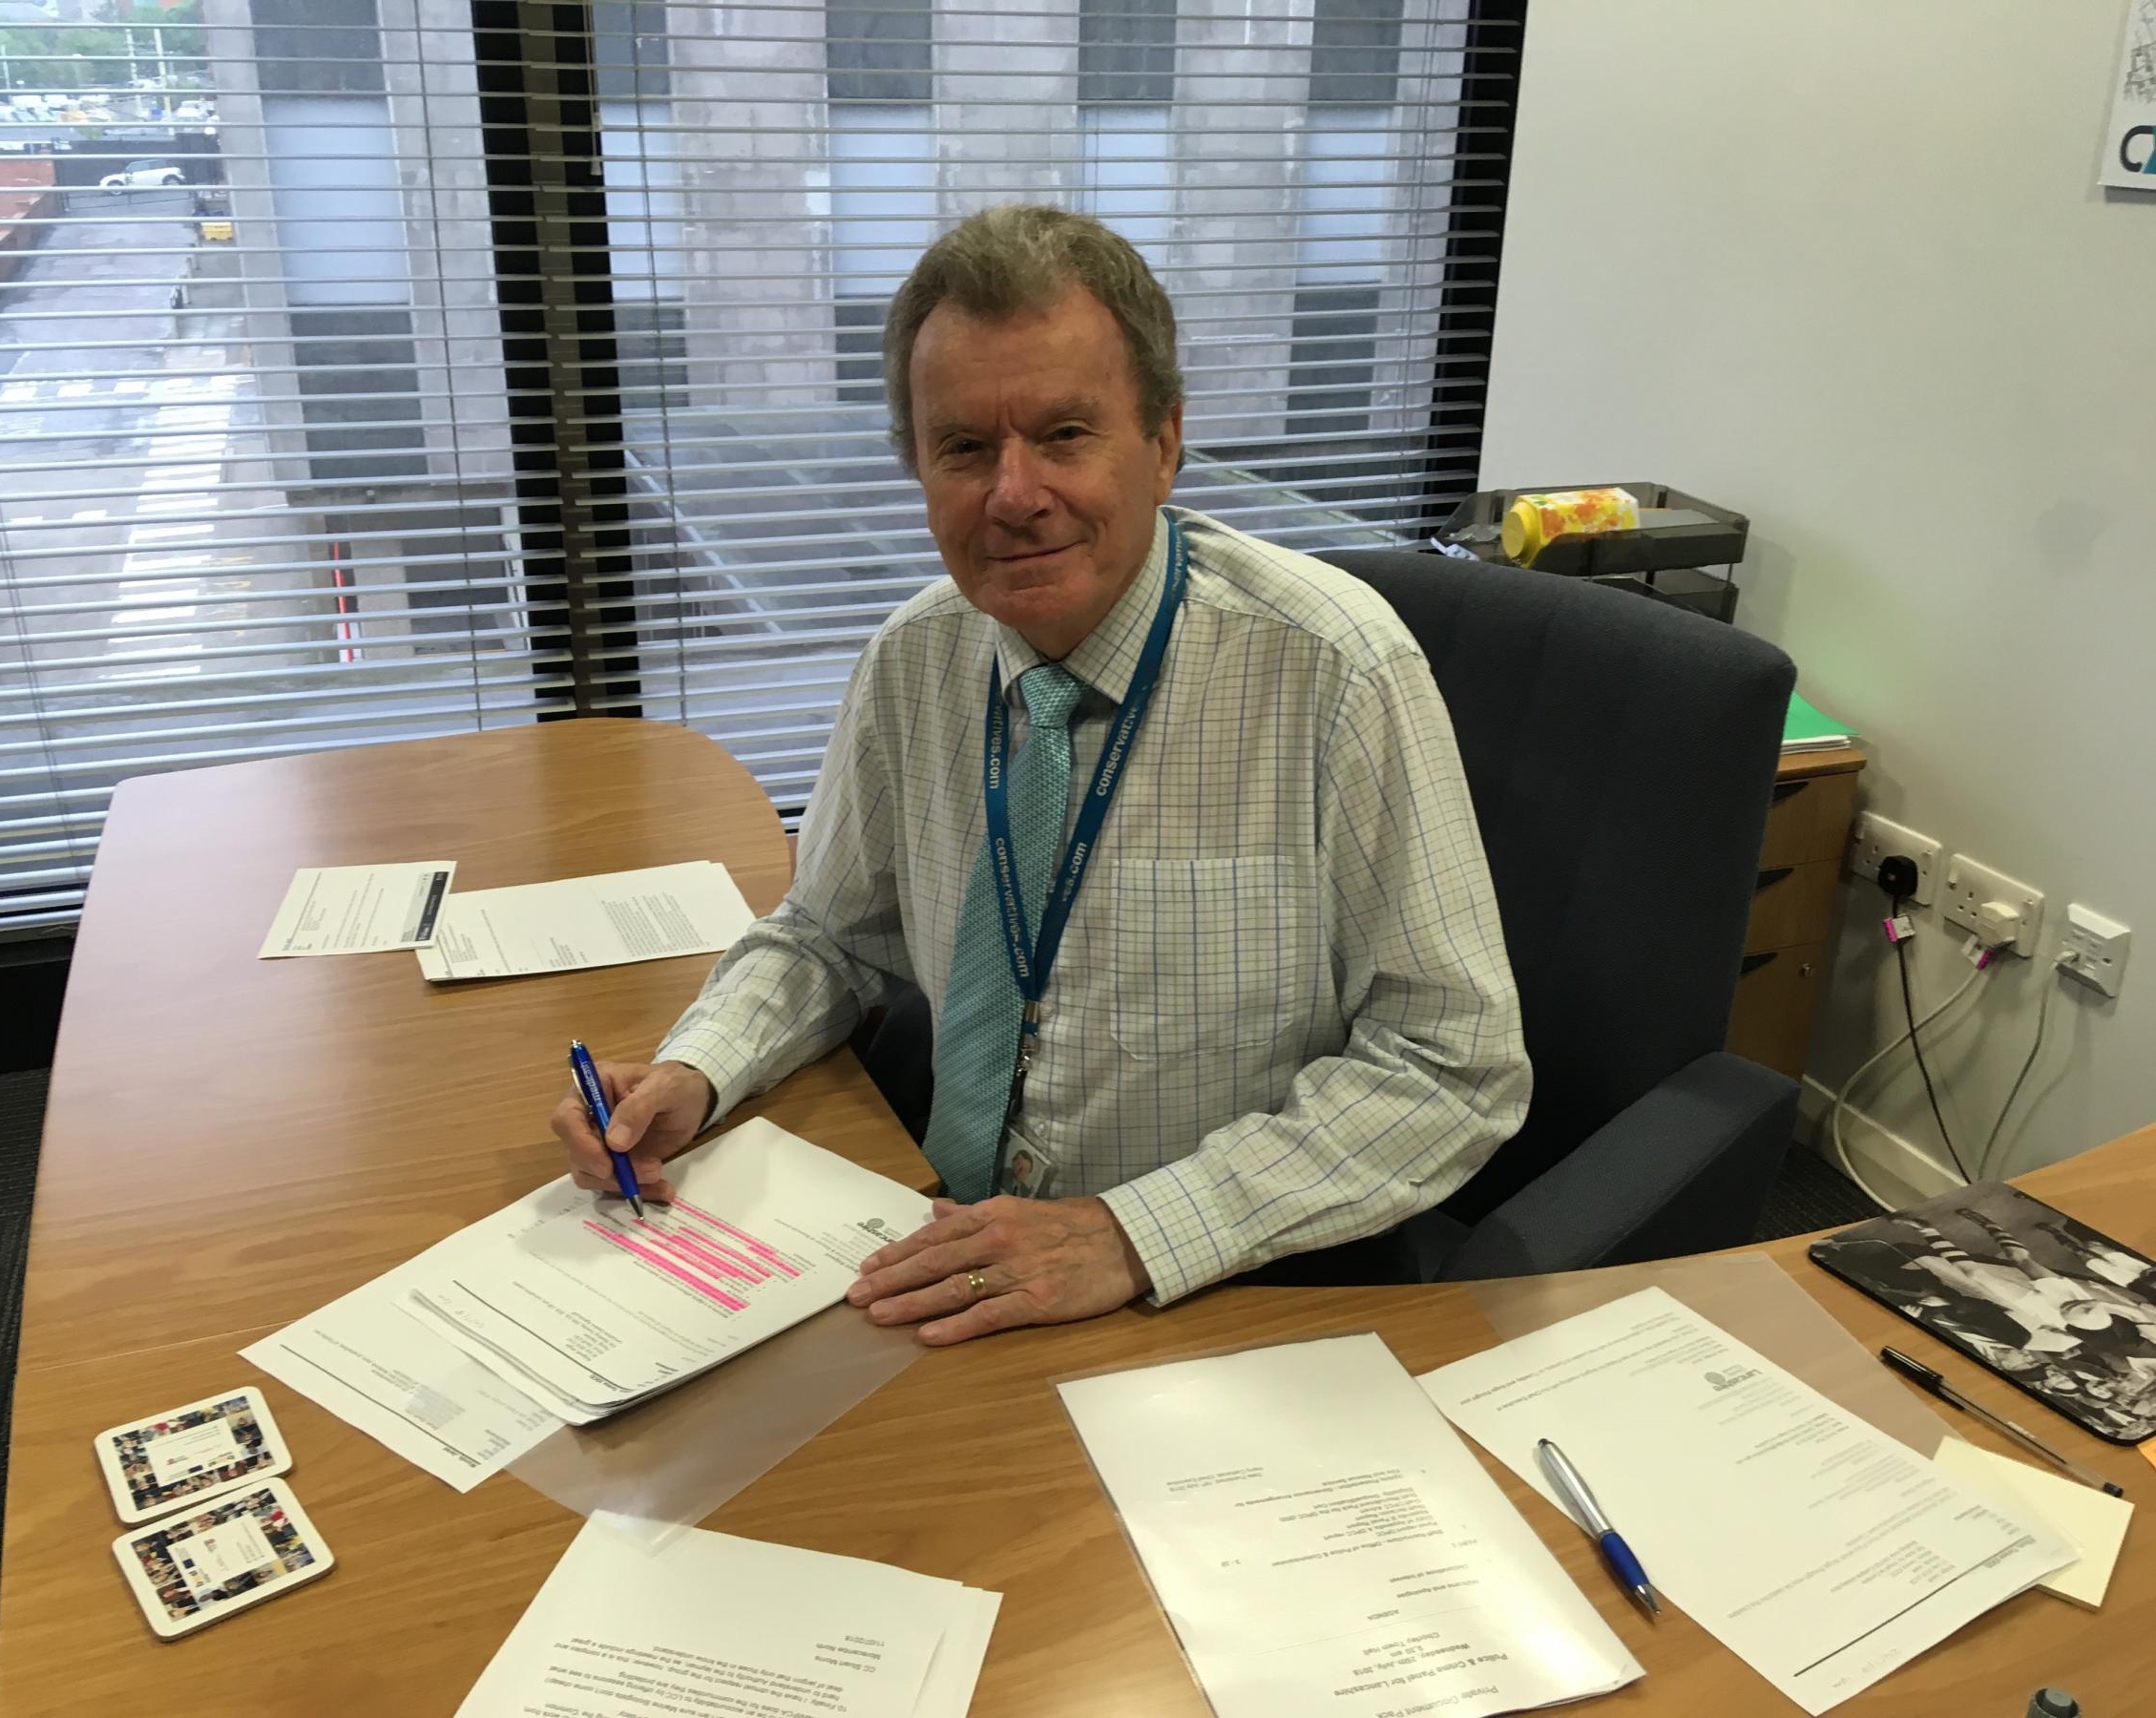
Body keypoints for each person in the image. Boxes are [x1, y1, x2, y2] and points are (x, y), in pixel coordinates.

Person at [551, 204, 1529, 1346]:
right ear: (917, 466)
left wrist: (1132, 1233)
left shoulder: (1337, 673)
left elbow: (1452, 1063)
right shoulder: (914, 658)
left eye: (1066, 434)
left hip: (1223, 1289)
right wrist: (695, 1070)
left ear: (1164, 442)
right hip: (940, 1261)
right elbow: (828, 934)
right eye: (964, 448)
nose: (1014, 494)